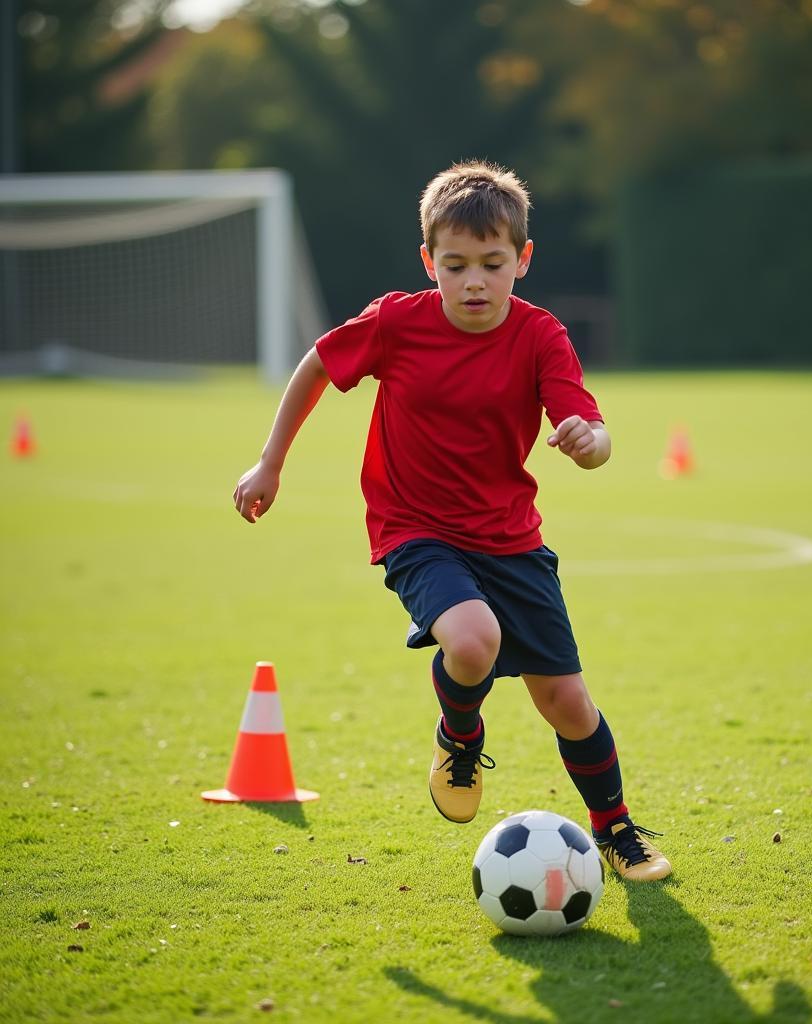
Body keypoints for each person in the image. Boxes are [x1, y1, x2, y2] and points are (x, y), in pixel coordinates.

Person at [233, 160, 670, 882]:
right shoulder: (398, 323)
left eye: (493, 264)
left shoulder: (539, 336)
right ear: (428, 260)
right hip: (416, 529)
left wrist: (592, 443)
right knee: (473, 641)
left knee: (567, 703)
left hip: (511, 540)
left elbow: (587, 427)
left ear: (522, 260)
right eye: (456, 264)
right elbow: (316, 364)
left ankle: (616, 829)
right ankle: (459, 735)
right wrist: (269, 461)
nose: (474, 281)